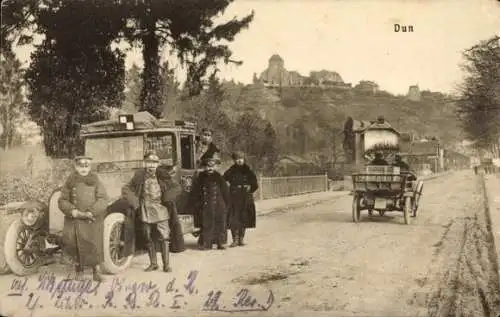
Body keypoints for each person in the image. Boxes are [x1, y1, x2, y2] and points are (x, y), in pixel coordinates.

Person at [121, 152, 184, 272]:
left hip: (161, 209)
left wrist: (167, 197)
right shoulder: (139, 175)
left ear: (158, 164)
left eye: (154, 163)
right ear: (144, 163)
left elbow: (177, 188)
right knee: (147, 236)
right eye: (149, 162)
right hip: (145, 209)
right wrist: (135, 202)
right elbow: (126, 188)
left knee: (164, 237)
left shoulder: (163, 175)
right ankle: (153, 263)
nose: (151, 165)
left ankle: (166, 265)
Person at [58, 156, 108, 281]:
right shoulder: (70, 181)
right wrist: (72, 211)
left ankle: (96, 271)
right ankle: (79, 270)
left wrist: (92, 211)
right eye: (81, 166)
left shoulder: (95, 180)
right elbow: (62, 200)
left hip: (92, 218)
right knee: (73, 242)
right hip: (75, 217)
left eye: (86, 166)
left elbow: (103, 199)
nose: (84, 169)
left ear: (90, 167)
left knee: (94, 243)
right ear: (76, 167)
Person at [190, 157, 230, 250]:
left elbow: (226, 192)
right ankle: (206, 243)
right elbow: (195, 192)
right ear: (204, 167)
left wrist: (226, 205)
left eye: (212, 166)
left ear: (215, 167)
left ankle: (221, 242)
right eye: (208, 166)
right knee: (207, 223)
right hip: (206, 204)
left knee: (221, 223)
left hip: (219, 204)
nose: (210, 169)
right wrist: (197, 204)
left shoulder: (219, 177)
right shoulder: (200, 178)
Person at [223, 151, 258, 247]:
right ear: (234, 160)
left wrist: (250, 188)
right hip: (234, 197)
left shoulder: (248, 170)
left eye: (241, 158)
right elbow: (222, 181)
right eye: (237, 159)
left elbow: (255, 184)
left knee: (244, 218)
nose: (239, 160)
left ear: (244, 159)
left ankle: (241, 239)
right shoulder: (231, 170)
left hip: (245, 197)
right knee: (233, 219)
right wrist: (228, 189)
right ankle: (235, 240)